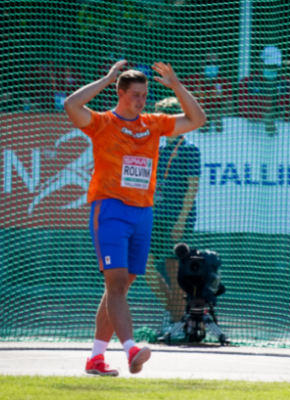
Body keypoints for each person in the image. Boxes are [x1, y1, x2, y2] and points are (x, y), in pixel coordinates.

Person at [64, 61, 206, 376]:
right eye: (135, 95)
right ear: (120, 93)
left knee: (119, 288)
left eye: (144, 95)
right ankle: (131, 349)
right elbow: (71, 105)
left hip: (143, 214)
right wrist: (106, 79)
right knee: (115, 284)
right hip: (110, 210)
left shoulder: (153, 124)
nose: (141, 100)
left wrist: (177, 86)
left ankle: (95, 359)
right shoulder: (102, 122)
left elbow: (198, 119)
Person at [145, 97, 201, 331]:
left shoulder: (189, 149)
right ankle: (175, 313)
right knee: (144, 265)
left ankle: (177, 323)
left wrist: (180, 222)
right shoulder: (158, 149)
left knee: (173, 269)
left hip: (177, 219)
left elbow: (192, 188)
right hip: (157, 216)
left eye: (165, 120)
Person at [238, 46, 290, 136]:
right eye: (268, 66)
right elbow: (242, 112)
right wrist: (264, 117)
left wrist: (277, 115)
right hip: (251, 135)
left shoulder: (287, 83)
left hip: (282, 136)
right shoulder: (247, 83)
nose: (271, 69)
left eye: (274, 66)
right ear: (260, 63)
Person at [183, 52, 233, 133]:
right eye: (209, 63)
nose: (212, 65)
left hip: (217, 124)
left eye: (215, 63)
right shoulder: (190, 80)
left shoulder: (225, 82)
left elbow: (229, 108)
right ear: (202, 64)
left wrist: (217, 114)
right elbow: (182, 104)